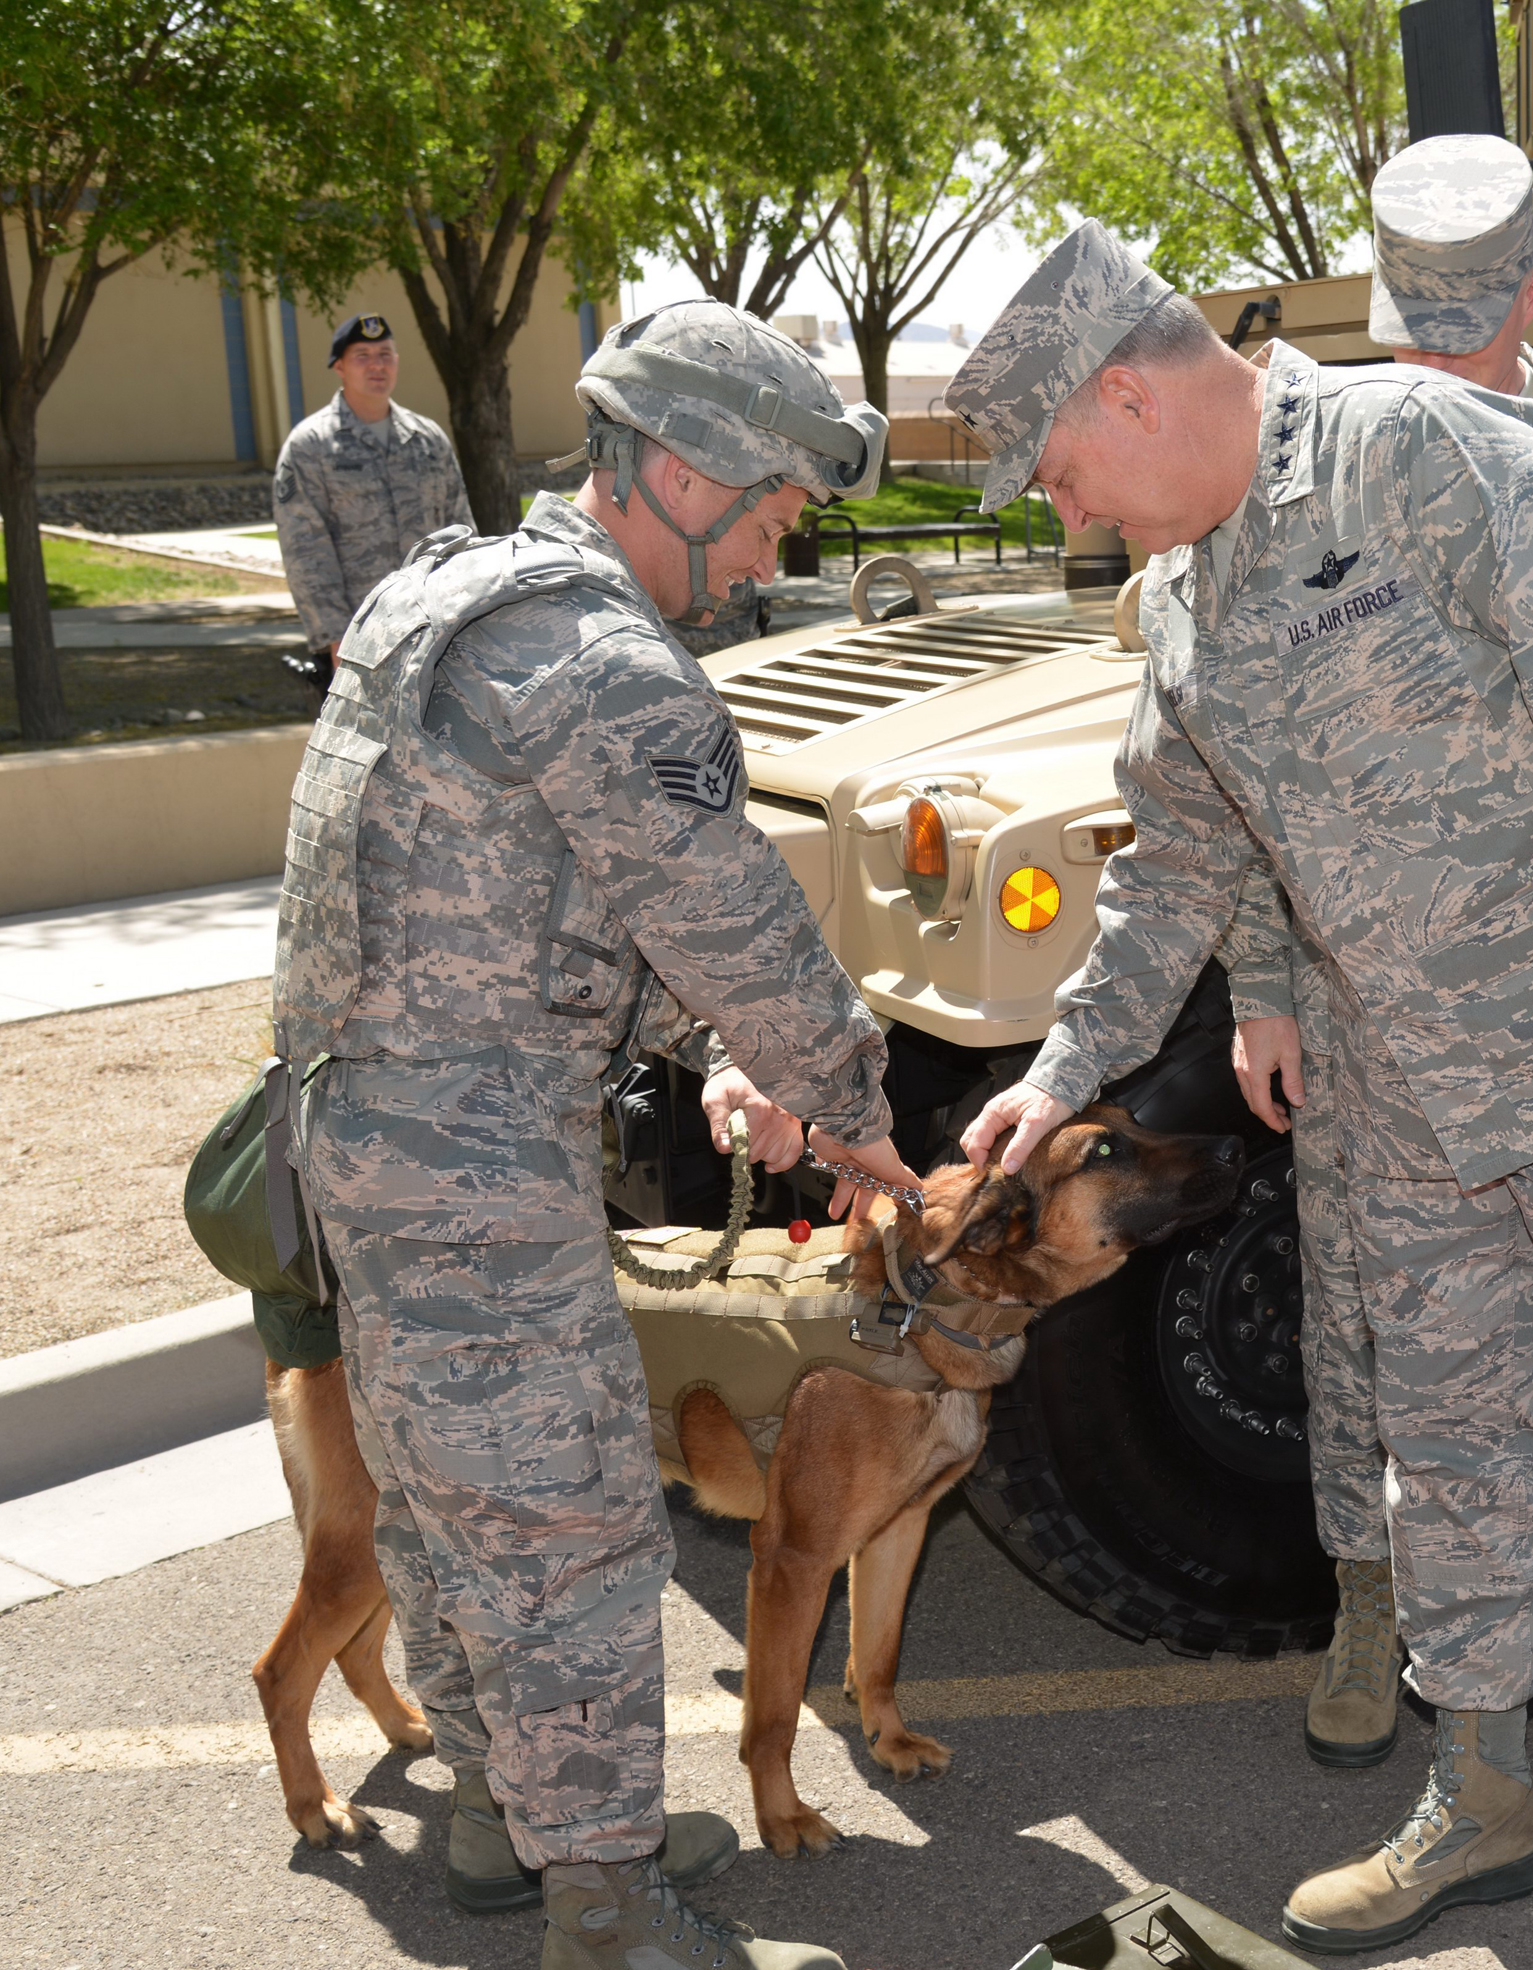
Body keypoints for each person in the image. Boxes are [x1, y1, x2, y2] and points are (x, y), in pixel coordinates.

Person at [948, 220, 1533, 1968]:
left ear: (1129, 396)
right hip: (1419, 1090)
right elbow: (1175, 865)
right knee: (1447, 1459)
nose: (1068, 516)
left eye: (1061, 474)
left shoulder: (1413, 453)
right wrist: (1059, 1079)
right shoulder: (1195, 586)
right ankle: (1483, 1790)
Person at [275, 299, 905, 1970]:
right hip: (477, 1161)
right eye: (771, 508)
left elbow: (507, 886)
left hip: (368, 1137)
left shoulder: (448, 589)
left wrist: (691, 1050)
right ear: (684, 473)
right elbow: (745, 929)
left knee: (444, 1505)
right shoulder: (613, 665)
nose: (775, 549)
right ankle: (606, 1901)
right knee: (564, 1527)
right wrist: (860, 1120)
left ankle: (505, 1826)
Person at [1217, 133, 1533, 1770]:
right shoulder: (1304, 467)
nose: (1434, 341)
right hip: (1358, 991)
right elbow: (1241, 748)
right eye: (1410, 311)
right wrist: (1261, 982)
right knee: (1365, 1312)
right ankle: (1374, 1598)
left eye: (1463, 310)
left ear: (1532, 292)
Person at [271, 313, 474, 690]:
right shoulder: (310, 447)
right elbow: (307, 555)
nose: (377, 364)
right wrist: (336, 643)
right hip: (360, 638)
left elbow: (463, 535)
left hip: (437, 631)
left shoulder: (427, 439)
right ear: (339, 367)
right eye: (362, 355)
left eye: (385, 354)